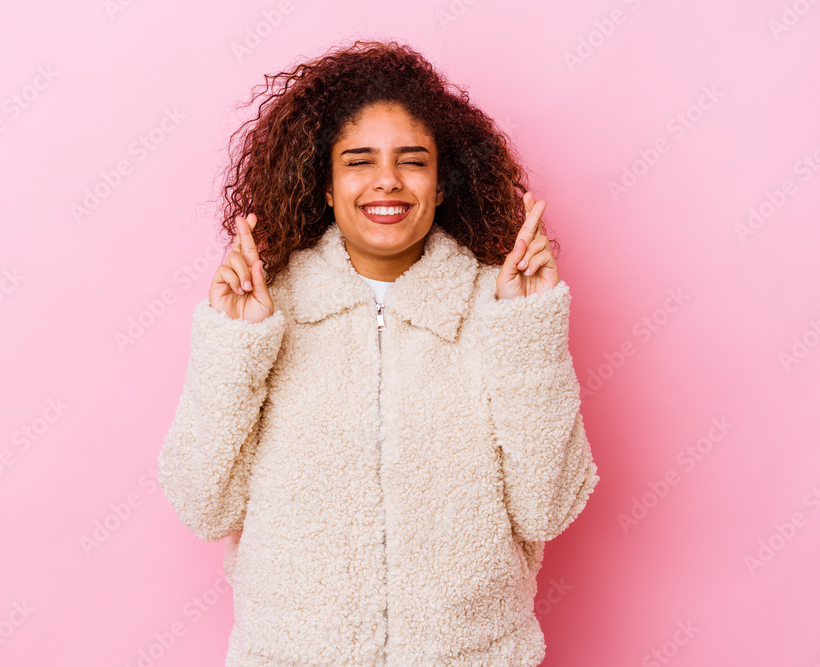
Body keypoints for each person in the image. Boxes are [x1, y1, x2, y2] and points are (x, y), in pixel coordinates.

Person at [157, 39, 599, 666]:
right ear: (327, 188)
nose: (387, 180)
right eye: (359, 161)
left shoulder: (499, 311)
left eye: (412, 161)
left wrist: (531, 334)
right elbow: (204, 504)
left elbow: (548, 507)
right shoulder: (266, 313)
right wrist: (235, 346)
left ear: (442, 185)